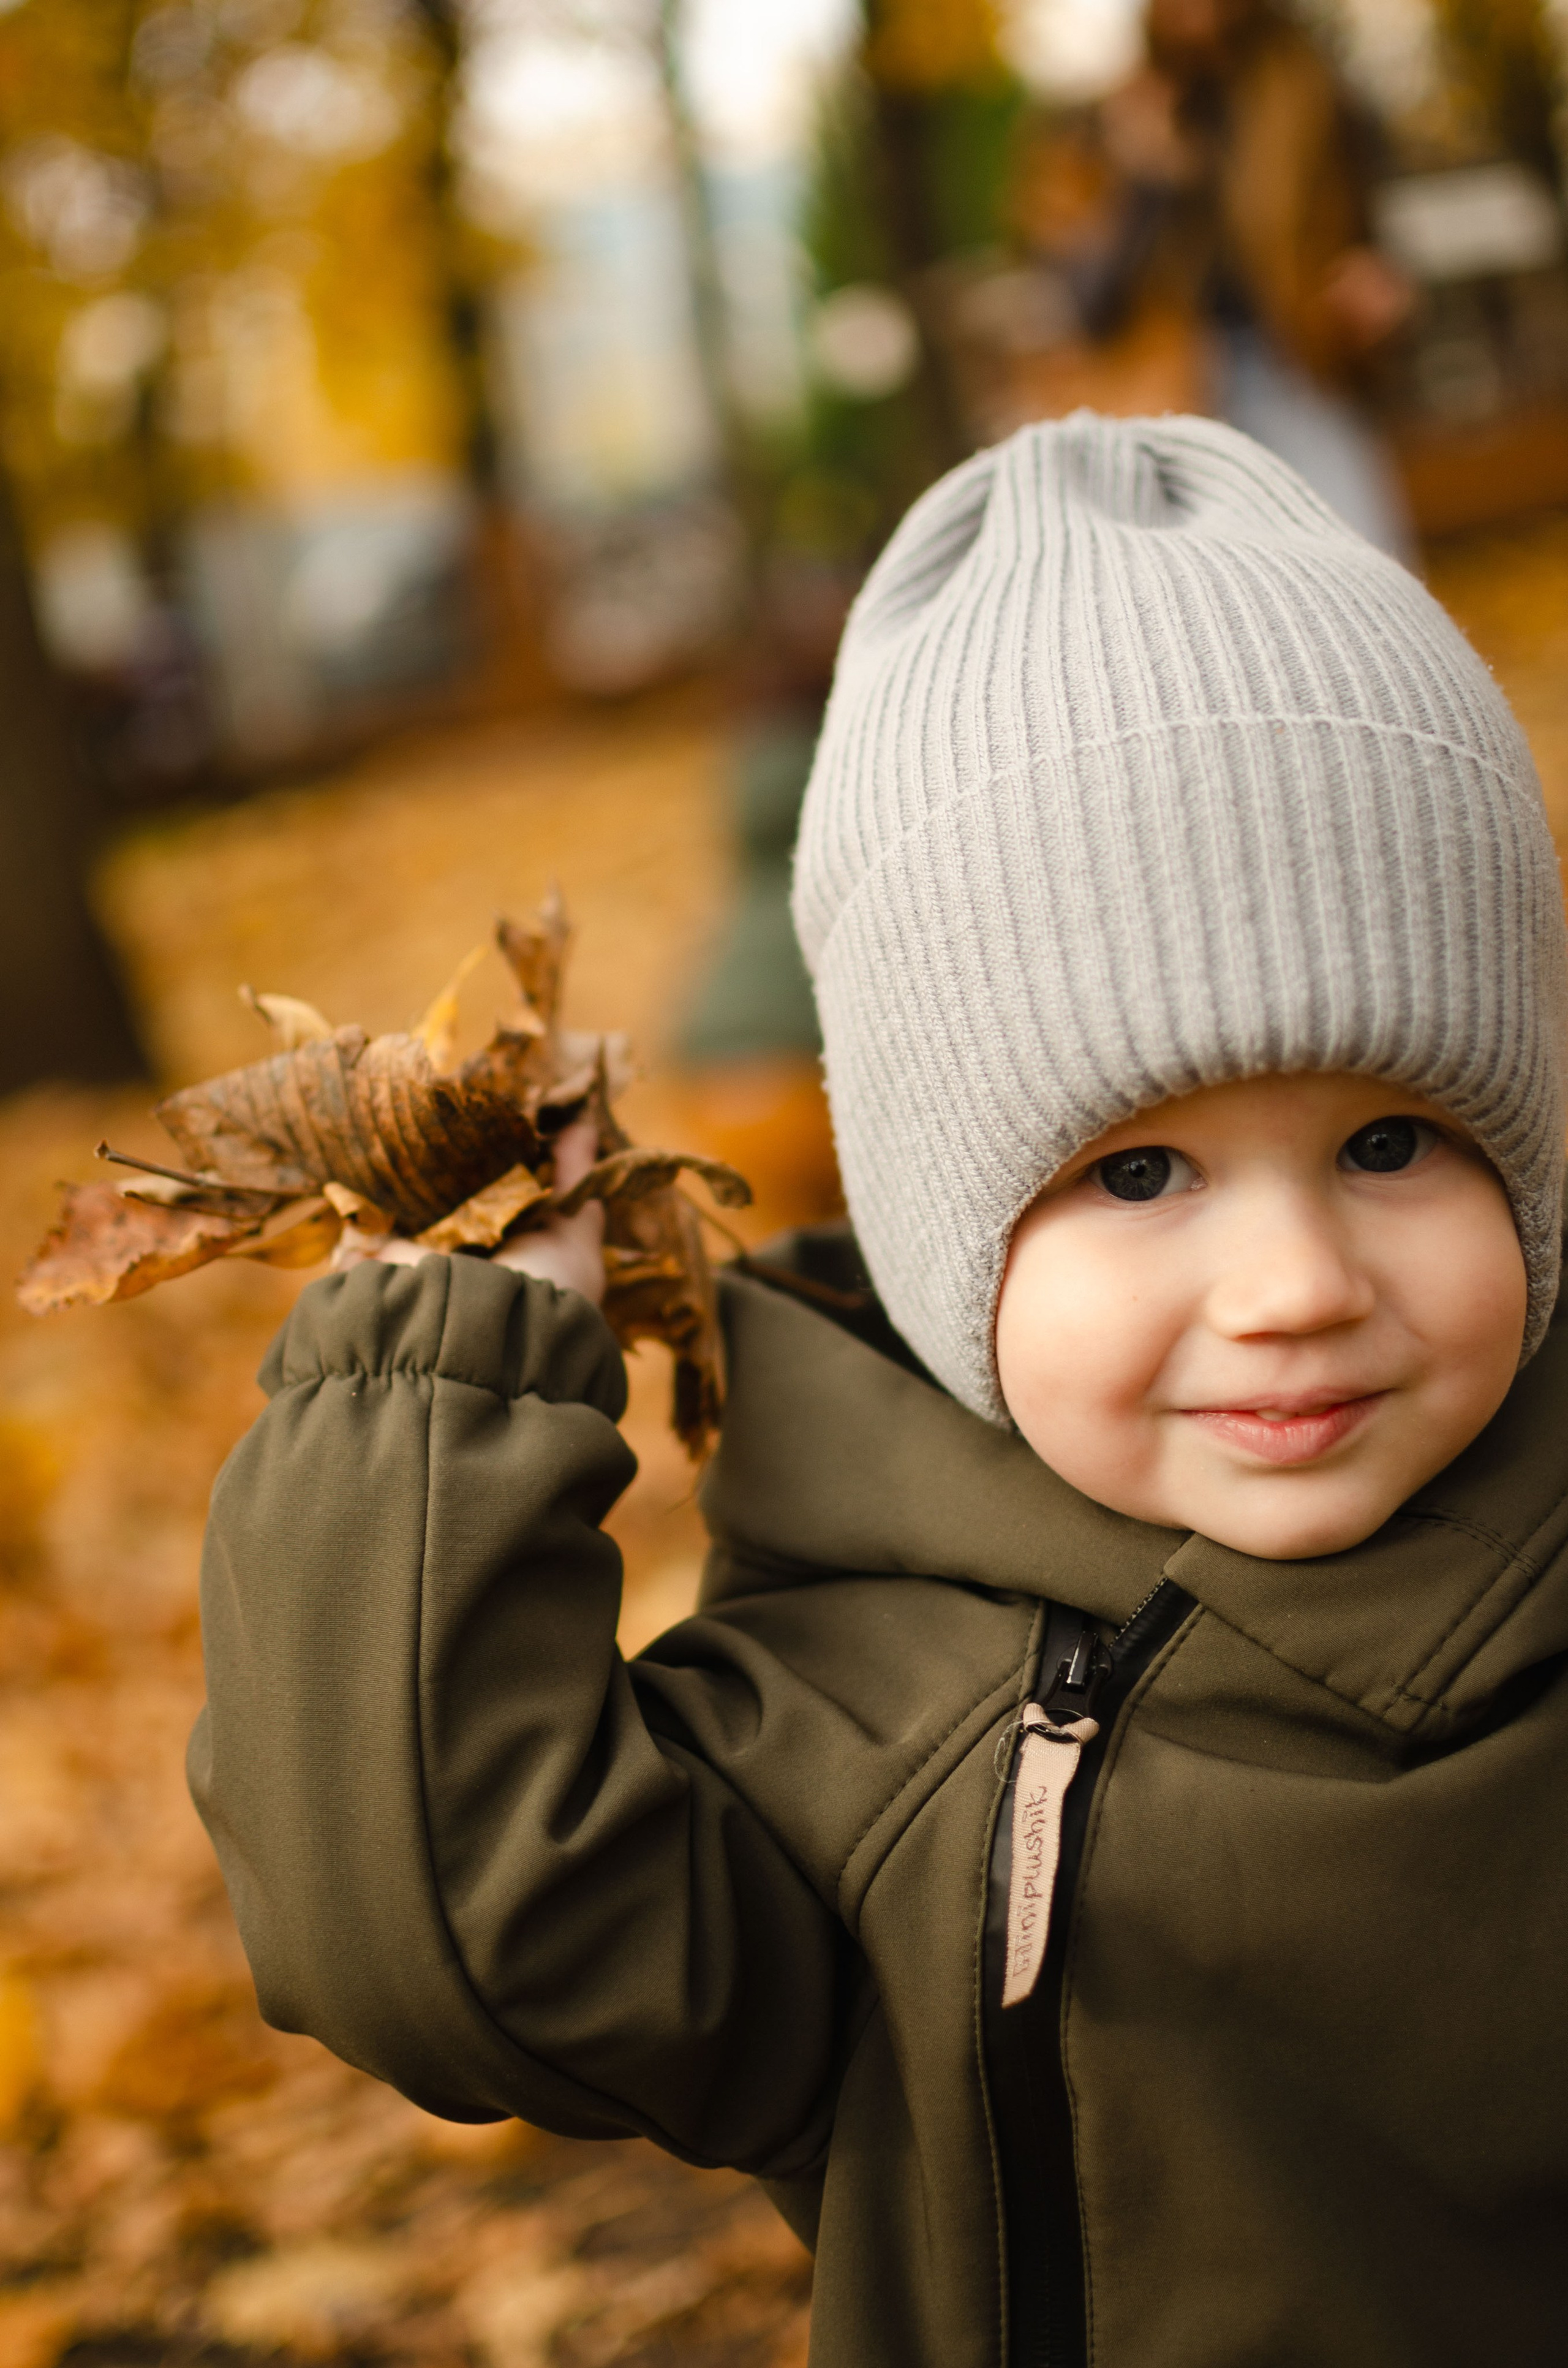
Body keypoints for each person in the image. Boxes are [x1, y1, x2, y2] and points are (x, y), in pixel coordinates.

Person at [190, 414, 1568, 2366]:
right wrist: (438, 1375)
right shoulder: (858, 1726)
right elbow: (437, 1931)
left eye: (1392, 1142)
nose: (1292, 1288)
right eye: (1137, 1173)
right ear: (941, 1232)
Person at [1076, 0, 1415, 553]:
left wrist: (1375, 280)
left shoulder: (1308, 91)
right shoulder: (1126, 110)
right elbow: (1089, 307)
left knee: (1366, 560)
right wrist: (1148, 178)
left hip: (1297, 367)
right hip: (1173, 396)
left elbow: (1374, 232)